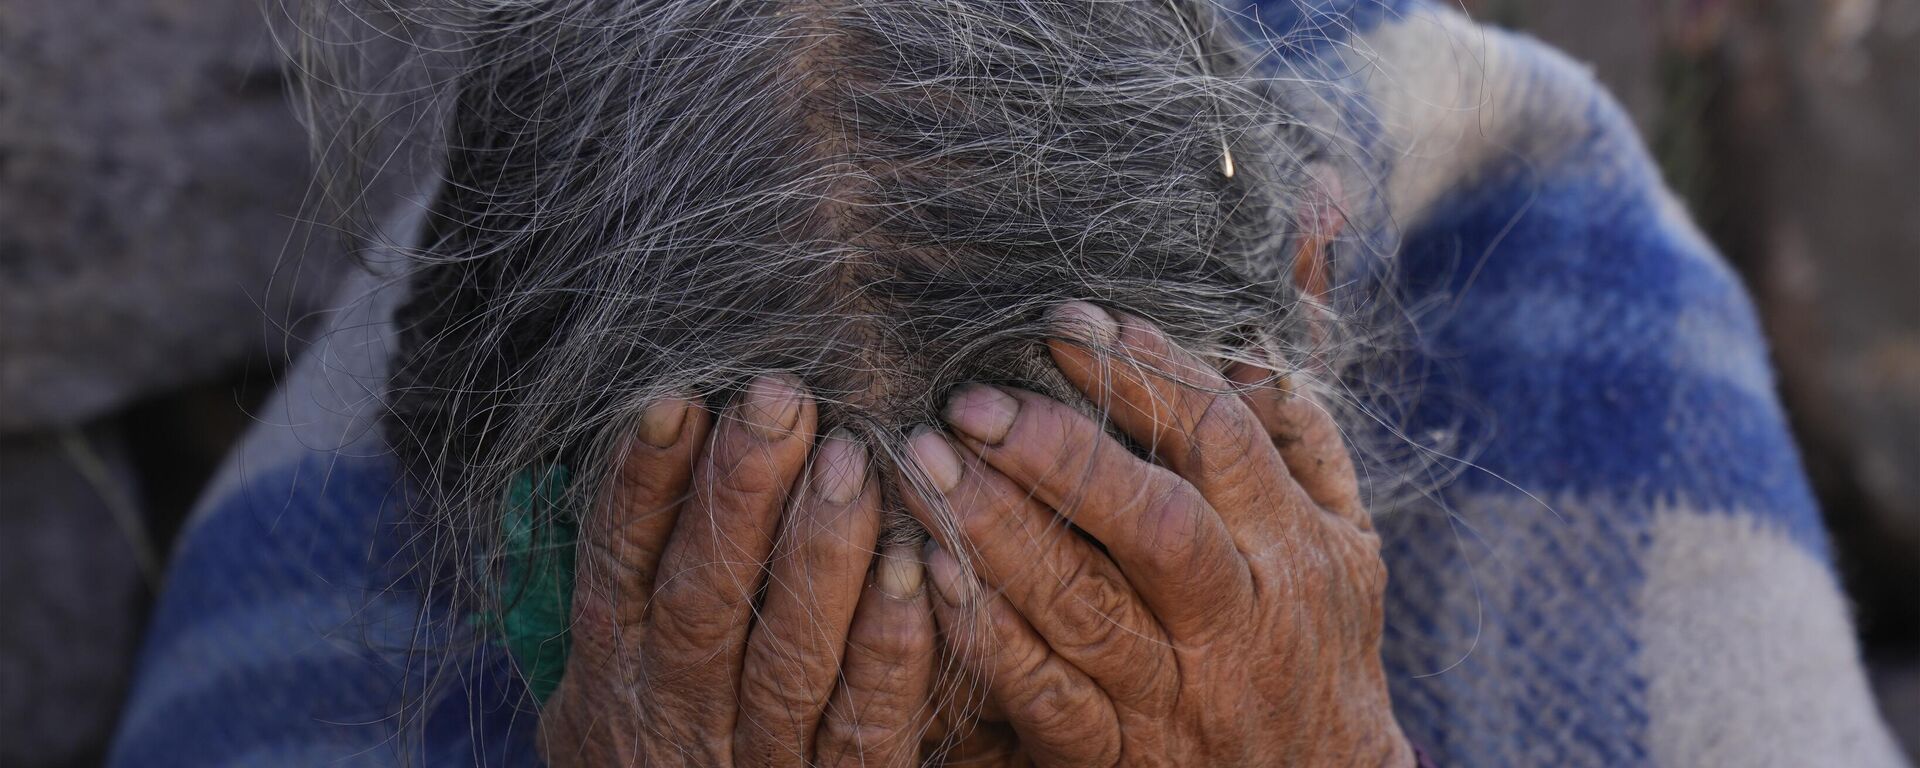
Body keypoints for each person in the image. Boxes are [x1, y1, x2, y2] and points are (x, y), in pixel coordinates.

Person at [110, 0, 1909, 765]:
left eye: (1048, 719)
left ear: (1312, 313)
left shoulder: (1547, 289)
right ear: (502, 536)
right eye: (806, 704)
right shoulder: (360, 503)